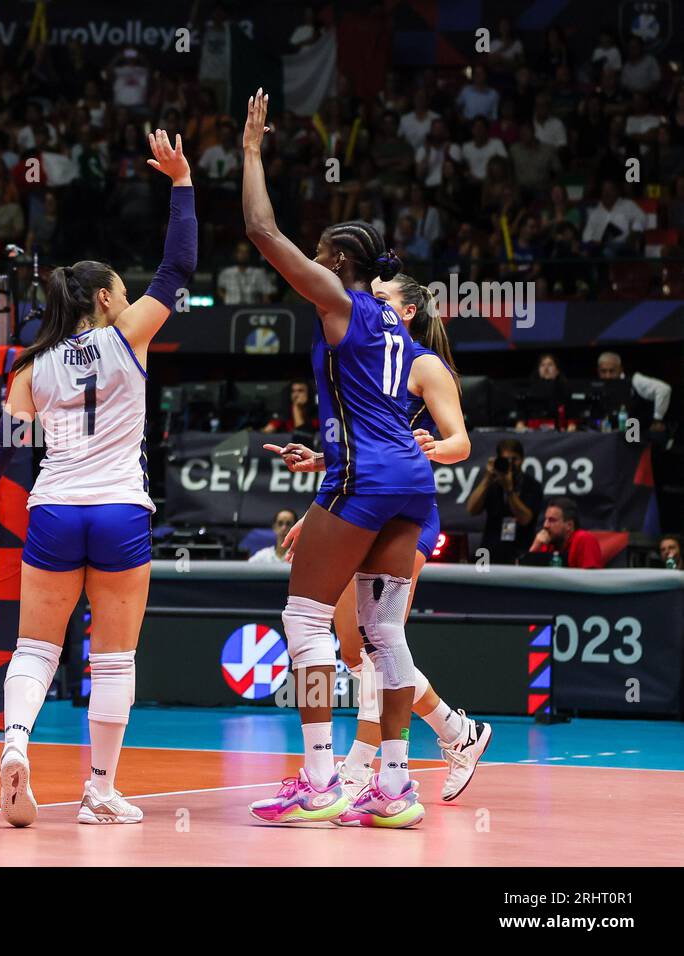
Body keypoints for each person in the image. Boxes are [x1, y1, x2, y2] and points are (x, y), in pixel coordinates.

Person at [0, 129, 196, 826]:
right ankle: (99, 787)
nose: (128, 301)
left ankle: (15, 744)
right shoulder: (128, 338)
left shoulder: (32, 366)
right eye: (121, 293)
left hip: (55, 510)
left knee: (36, 646)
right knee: (114, 657)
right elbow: (179, 265)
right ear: (102, 299)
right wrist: (181, 183)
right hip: (121, 510)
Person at [241, 88, 446, 828]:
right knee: (385, 634)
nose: (312, 262)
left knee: (303, 617)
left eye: (322, 254)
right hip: (409, 484)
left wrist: (252, 151)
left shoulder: (342, 301)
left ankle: (322, 778)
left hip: (364, 480)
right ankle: (394, 787)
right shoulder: (396, 327)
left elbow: (261, 229)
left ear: (335, 263)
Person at [268, 273, 490, 805]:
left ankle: (361, 767)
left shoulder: (425, 364)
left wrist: (430, 447)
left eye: (383, 297)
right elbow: (361, 449)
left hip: (406, 511)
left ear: (408, 312)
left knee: (374, 642)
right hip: (359, 500)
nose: (370, 303)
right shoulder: (362, 361)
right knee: (349, 647)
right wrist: (319, 485)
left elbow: (461, 444)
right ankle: (456, 732)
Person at [465, 437, 543, 565]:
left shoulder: (532, 485)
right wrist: (487, 479)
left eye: (514, 459)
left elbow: (525, 519)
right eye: (506, 460)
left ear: (522, 459)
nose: (511, 464)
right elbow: (471, 510)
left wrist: (509, 490)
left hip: (520, 551)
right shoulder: (492, 483)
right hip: (488, 552)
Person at [596, 351, 671, 431]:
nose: (608, 376)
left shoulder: (635, 380)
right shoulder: (597, 387)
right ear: (598, 371)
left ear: (621, 369)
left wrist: (657, 420)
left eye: (612, 371)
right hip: (611, 436)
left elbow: (664, 389)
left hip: (638, 435)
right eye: (603, 371)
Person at [523, 497, 604, 568]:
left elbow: (591, 580)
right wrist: (535, 547)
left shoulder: (585, 539)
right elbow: (527, 577)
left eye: (552, 520)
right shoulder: (547, 542)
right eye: (546, 519)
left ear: (569, 525)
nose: (545, 525)